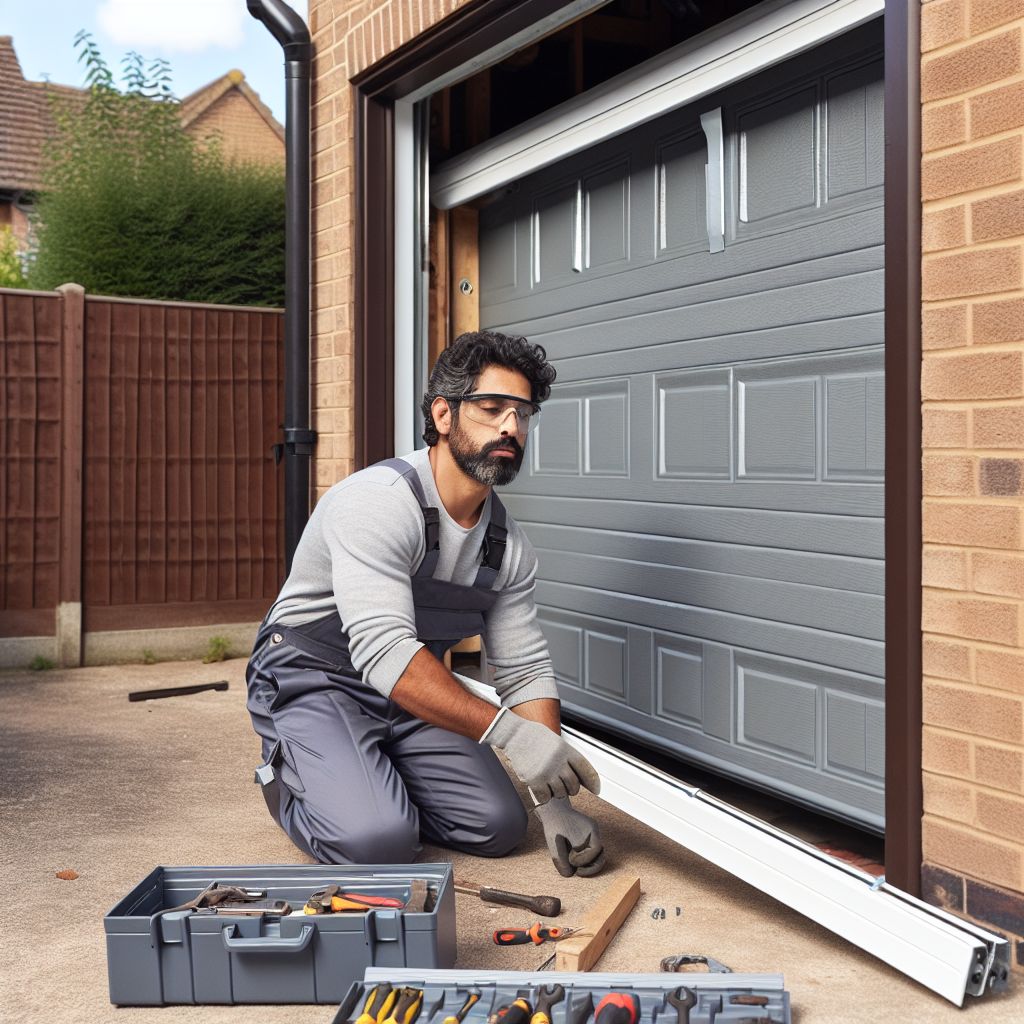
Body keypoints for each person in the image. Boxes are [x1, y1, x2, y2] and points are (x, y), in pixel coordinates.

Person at [246, 330, 605, 878]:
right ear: (443, 415)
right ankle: (293, 774)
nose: (511, 426)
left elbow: (524, 669)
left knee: (499, 828)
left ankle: (371, 772)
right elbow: (386, 652)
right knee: (378, 843)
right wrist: (509, 735)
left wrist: (552, 798)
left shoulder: (507, 548)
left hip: (411, 692)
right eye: (491, 408)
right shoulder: (379, 503)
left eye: (523, 413)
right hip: (313, 678)